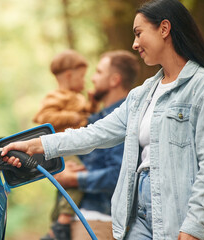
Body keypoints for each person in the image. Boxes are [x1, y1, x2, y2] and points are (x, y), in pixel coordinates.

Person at [1, 0, 204, 239]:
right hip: (139, 218)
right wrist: (35, 145)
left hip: (179, 219)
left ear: (164, 29)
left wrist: (192, 229)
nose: (134, 44)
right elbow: (94, 134)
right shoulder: (141, 94)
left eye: (139, 34)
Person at [53, 50, 139, 240]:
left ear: (114, 80)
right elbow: (91, 160)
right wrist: (71, 167)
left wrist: (75, 179)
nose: (92, 78)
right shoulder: (97, 119)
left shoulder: (127, 121)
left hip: (100, 220)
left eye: (99, 72)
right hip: (83, 216)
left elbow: (120, 175)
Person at [34, 49, 98, 240]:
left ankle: (56, 222)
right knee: (77, 175)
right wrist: (72, 116)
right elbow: (43, 117)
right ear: (69, 76)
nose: (84, 81)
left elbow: (88, 117)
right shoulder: (57, 96)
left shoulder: (77, 97)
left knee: (66, 187)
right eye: (82, 77)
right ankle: (63, 221)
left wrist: (93, 104)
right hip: (61, 147)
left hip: (75, 146)